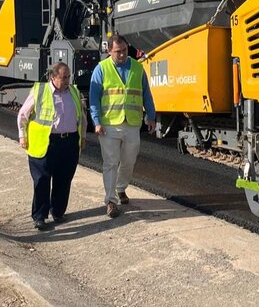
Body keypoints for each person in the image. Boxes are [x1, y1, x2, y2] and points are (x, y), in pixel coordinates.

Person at [89, 34, 156, 218]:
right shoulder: (101, 69)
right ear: (109, 51)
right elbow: (94, 98)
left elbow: (146, 94)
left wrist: (151, 116)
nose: (122, 54)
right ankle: (110, 201)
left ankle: (121, 188)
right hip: (109, 123)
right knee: (110, 162)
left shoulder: (137, 67)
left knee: (129, 160)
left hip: (132, 122)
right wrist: (96, 121)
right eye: (118, 51)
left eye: (124, 50)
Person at [17, 62, 86, 230]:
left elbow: (82, 117)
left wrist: (82, 138)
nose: (67, 80)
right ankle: (39, 216)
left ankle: (58, 212)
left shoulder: (75, 92)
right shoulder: (40, 91)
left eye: (68, 77)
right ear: (53, 77)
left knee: (64, 179)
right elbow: (23, 114)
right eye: (63, 77)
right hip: (46, 142)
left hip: (69, 142)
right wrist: (22, 135)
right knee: (42, 179)